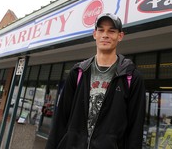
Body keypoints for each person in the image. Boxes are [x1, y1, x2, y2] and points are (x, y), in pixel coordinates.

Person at [46, 13, 146, 149]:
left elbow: (135, 130)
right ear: (94, 34)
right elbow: (60, 121)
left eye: (111, 31)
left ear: (120, 36)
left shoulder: (132, 78)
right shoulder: (78, 73)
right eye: (101, 30)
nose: (105, 35)